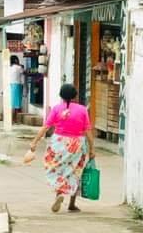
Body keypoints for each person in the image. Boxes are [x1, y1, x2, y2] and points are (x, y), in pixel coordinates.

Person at [29, 83, 95, 213]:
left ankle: (59, 193)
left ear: (61, 96)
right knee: (75, 171)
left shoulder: (56, 109)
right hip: (77, 144)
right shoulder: (82, 110)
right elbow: (88, 132)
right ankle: (72, 204)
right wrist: (92, 149)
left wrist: (34, 142)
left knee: (58, 169)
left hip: (58, 142)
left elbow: (46, 127)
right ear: (75, 96)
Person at [9, 55, 25, 121]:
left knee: (12, 103)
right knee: (16, 104)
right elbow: (24, 72)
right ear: (16, 60)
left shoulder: (10, 67)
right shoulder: (18, 67)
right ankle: (14, 119)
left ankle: (13, 119)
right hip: (17, 85)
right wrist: (22, 67)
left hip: (11, 85)